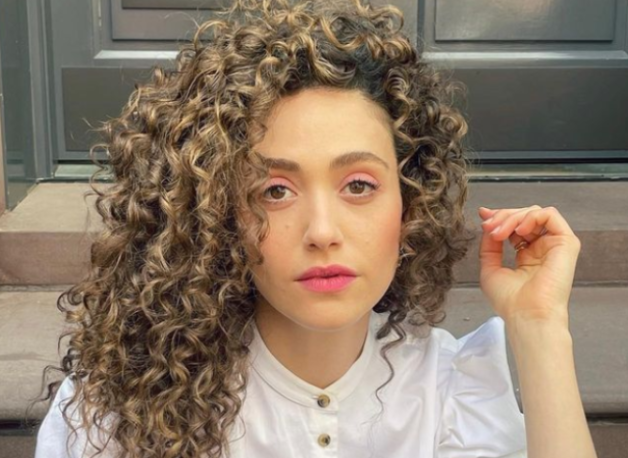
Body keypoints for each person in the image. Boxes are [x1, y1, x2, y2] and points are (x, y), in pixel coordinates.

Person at [30, 1, 597, 457]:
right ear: (219, 214)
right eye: (275, 191)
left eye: (359, 185)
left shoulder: (452, 392)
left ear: (410, 204)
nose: (322, 231)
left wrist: (540, 328)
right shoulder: (118, 409)